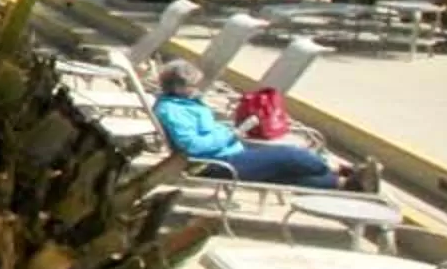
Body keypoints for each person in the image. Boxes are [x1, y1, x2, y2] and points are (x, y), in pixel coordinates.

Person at [148, 60, 370, 190]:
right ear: (178, 87)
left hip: (227, 154)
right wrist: (229, 134)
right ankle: (339, 169)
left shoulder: (184, 103)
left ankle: (346, 184)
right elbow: (192, 147)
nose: (197, 88)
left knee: (286, 174)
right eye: (192, 85)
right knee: (290, 155)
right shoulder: (172, 110)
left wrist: (229, 134)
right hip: (214, 164)